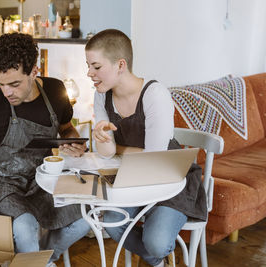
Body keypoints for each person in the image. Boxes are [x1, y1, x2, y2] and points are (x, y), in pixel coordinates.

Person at [0, 33, 91, 265]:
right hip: (2, 186)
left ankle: (41, 259)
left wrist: (74, 143)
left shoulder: (55, 91)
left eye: (14, 84)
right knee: (26, 227)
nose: (7, 92)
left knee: (85, 215)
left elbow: (67, 129)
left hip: (43, 181)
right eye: (1, 84)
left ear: (34, 71)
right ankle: (36, 261)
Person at [85, 29, 206, 267]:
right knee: (111, 222)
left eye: (96, 67)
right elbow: (106, 153)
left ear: (120, 65)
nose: (89, 73)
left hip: (169, 176)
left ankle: (155, 253)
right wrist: (103, 139)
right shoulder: (102, 96)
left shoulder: (154, 94)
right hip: (131, 176)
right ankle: (158, 262)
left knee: (158, 242)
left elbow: (154, 159)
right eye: (88, 66)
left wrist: (117, 147)